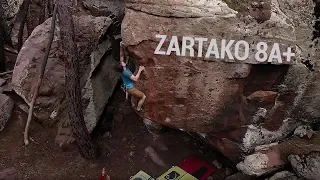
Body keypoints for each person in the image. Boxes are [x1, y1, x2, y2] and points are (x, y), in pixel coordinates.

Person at [119, 42, 147, 111]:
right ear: (122, 66)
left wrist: (121, 47)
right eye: (121, 63)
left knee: (127, 87)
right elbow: (135, 79)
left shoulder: (123, 70)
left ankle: (126, 97)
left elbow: (121, 56)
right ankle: (138, 108)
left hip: (126, 86)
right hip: (131, 89)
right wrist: (140, 70)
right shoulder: (126, 72)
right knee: (143, 97)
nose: (122, 62)